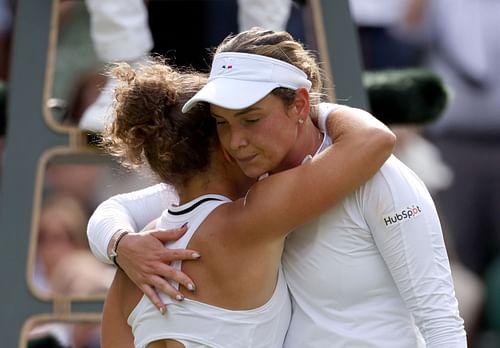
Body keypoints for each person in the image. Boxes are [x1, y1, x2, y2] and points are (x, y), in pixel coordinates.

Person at [88, 28, 466, 347]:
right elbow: (117, 208)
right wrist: (120, 244)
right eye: (222, 123)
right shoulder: (246, 182)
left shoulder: (379, 178)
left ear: (300, 104)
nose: (236, 141)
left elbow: (441, 322)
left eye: (251, 119)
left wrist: (326, 110)